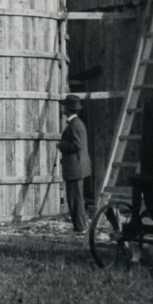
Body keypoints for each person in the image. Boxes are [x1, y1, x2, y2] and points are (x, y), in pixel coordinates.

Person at [57, 94, 91, 233]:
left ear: (68, 108)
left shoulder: (75, 125)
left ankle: (80, 228)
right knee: (75, 199)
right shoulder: (75, 123)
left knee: (75, 200)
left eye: (64, 106)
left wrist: (61, 145)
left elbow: (77, 145)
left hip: (75, 168)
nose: (62, 108)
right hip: (76, 167)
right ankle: (79, 227)